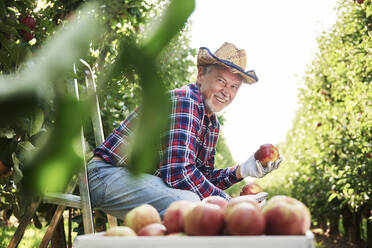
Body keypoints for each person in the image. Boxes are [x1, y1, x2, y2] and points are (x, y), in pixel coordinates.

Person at [87, 42, 282, 219]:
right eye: (221, 81)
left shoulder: (211, 123)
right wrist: (231, 204)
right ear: (201, 75)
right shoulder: (186, 101)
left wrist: (240, 171)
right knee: (191, 205)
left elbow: (200, 178)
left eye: (234, 87)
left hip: (135, 180)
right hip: (105, 176)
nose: (226, 92)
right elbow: (179, 174)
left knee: (198, 203)